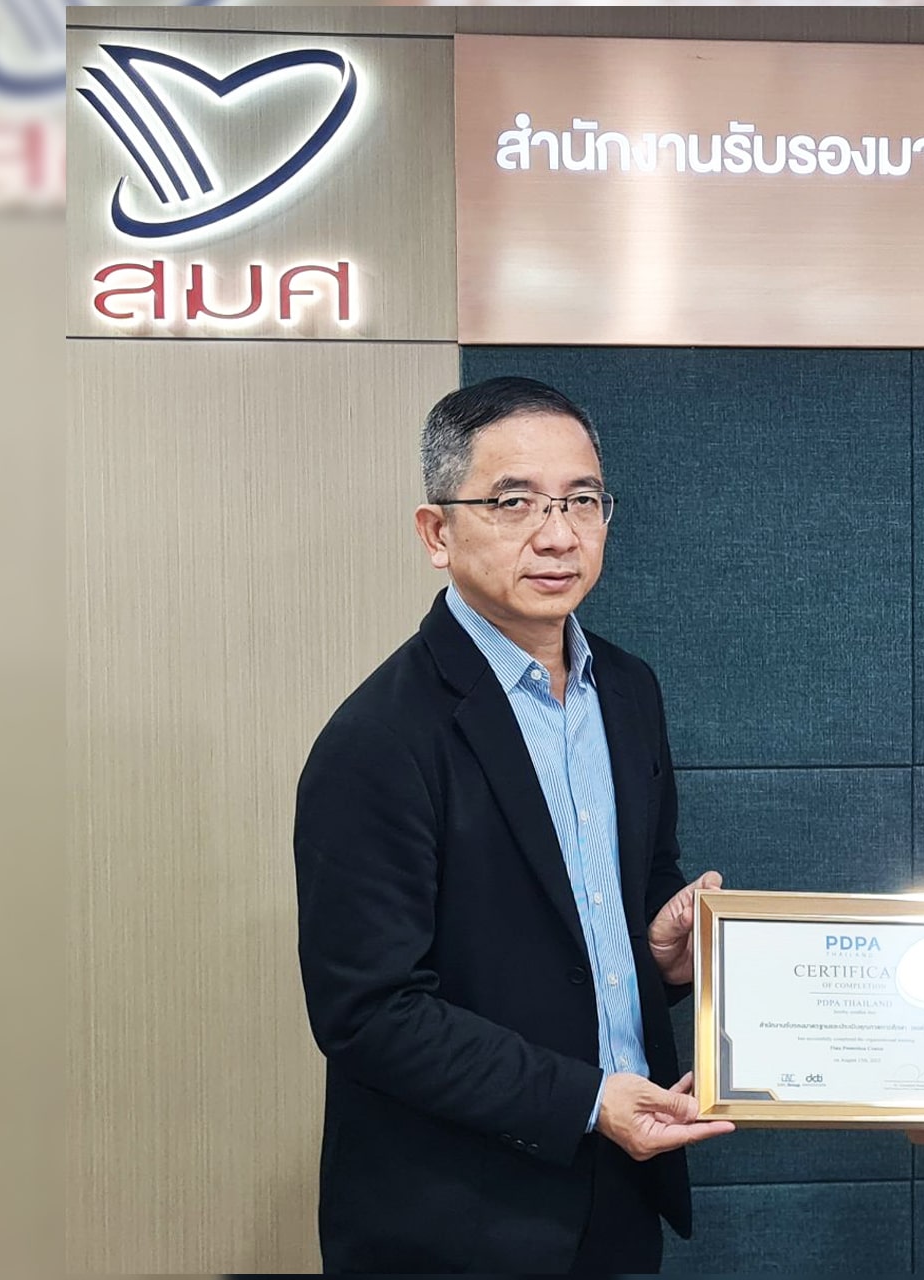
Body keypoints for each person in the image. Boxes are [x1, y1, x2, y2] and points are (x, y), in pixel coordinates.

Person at [293, 376, 732, 1273]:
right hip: (454, 1216)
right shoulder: (378, 738)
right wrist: (586, 1100)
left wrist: (661, 953)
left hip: (619, 1186)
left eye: (582, 500)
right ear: (436, 533)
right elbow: (369, 1012)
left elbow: (617, 901)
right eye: (513, 502)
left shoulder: (629, 690)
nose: (558, 534)